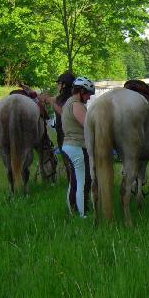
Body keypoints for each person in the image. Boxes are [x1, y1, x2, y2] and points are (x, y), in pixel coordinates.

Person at [61, 75, 94, 217]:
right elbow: (88, 126)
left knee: (74, 180)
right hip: (77, 146)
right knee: (83, 181)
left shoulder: (68, 102)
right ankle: (82, 214)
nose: (89, 97)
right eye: (87, 94)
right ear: (80, 91)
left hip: (69, 145)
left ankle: (72, 210)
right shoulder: (77, 105)